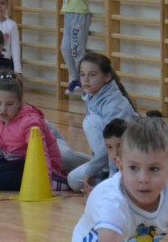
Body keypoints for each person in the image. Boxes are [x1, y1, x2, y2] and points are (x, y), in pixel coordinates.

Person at [60, 53, 140, 193]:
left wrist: (97, 172)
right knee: (72, 178)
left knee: (90, 122)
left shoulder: (115, 104)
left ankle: (109, 179)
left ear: (107, 77)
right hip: (105, 160)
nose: (86, 79)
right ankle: (101, 175)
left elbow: (113, 145)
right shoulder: (92, 96)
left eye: (92, 75)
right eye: (82, 74)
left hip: (125, 162)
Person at [59, 0, 91, 94]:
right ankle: (75, 78)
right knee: (65, 48)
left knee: (76, 49)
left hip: (79, 15)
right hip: (68, 13)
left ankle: (83, 80)